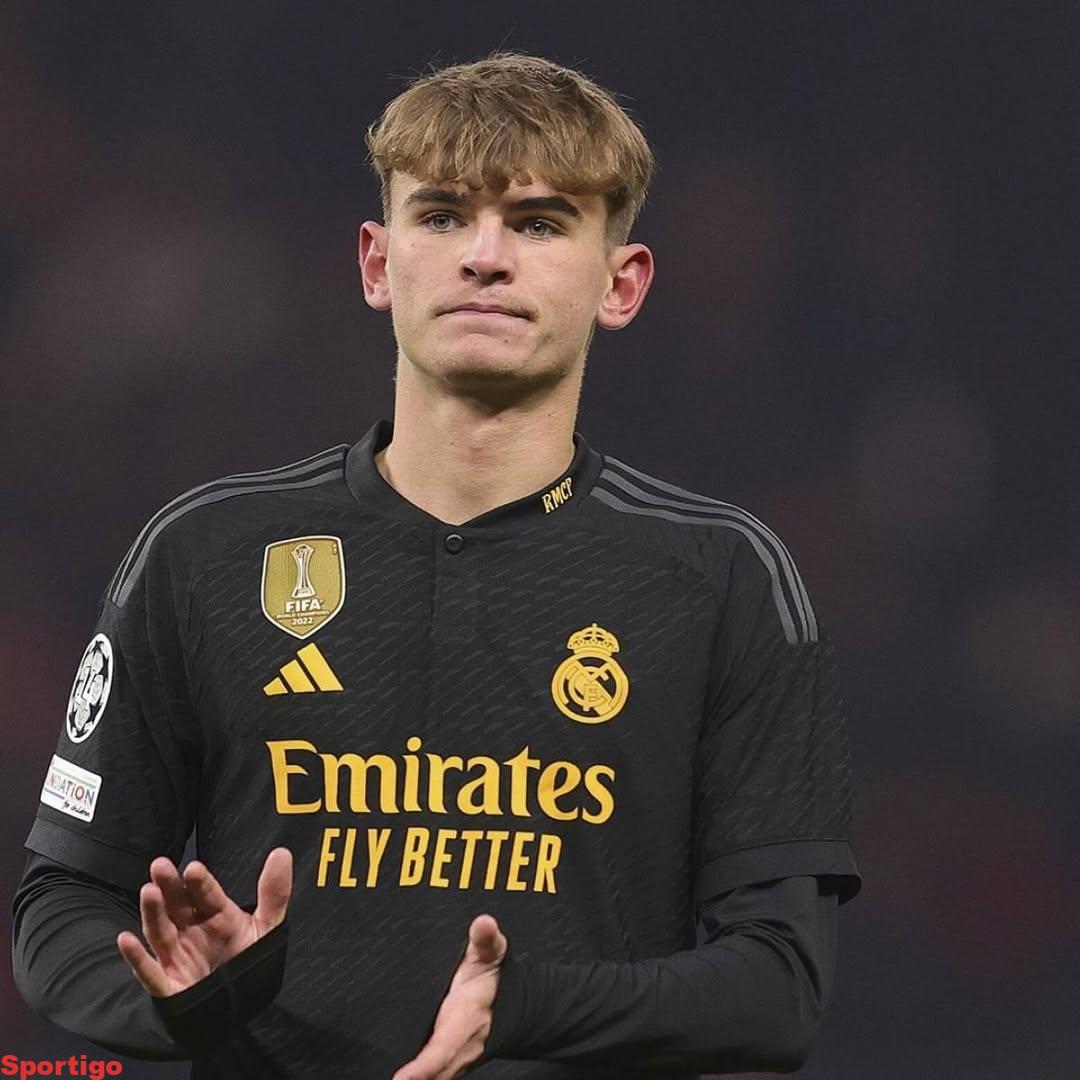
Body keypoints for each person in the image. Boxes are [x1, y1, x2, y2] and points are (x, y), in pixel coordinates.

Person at [12, 51, 861, 1079]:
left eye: (540, 223)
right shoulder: (204, 554)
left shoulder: (722, 578)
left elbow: (779, 986)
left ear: (621, 282)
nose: (485, 258)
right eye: (445, 215)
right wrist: (181, 1004)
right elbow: (60, 906)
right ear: (377, 264)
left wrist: (527, 1007)